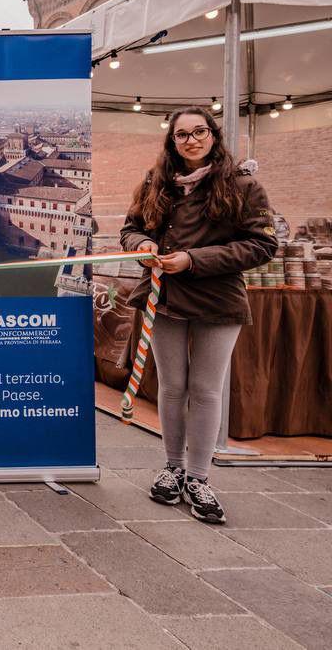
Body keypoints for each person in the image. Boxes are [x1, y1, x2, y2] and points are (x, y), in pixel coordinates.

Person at [120, 107, 276, 524]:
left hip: (217, 298)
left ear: (213, 135)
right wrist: (141, 245)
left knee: (206, 389)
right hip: (166, 296)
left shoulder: (243, 185)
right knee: (172, 387)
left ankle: (199, 477)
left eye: (199, 132)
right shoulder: (157, 183)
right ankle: (172, 467)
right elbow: (131, 227)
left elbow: (261, 246)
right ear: (172, 141)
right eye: (182, 135)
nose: (191, 140)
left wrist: (192, 259)